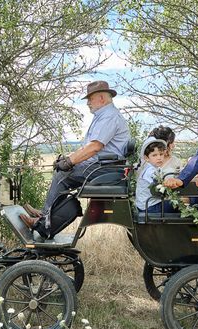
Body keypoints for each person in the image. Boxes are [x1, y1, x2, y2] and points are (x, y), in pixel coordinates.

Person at [20, 80, 131, 228]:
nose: (88, 103)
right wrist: (68, 159)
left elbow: (94, 147)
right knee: (64, 170)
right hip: (104, 165)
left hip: (106, 168)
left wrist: (69, 162)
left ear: (102, 98)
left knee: (62, 176)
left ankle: (42, 221)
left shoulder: (109, 117)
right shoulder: (105, 115)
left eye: (90, 99)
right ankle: (45, 214)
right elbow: (87, 148)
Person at [135, 137, 178, 213]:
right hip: (148, 206)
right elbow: (160, 187)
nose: (159, 158)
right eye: (154, 155)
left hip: (148, 204)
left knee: (173, 204)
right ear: (146, 158)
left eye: (161, 154)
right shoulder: (150, 171)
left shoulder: (155, 168)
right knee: (176, 205)